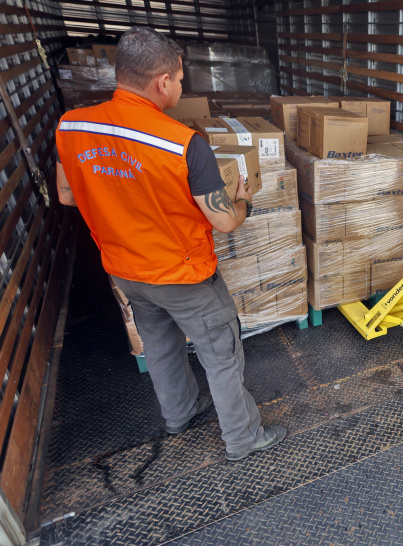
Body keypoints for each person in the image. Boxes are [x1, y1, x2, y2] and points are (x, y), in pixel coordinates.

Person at [55, 27, 286, 461]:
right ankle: (243, 437)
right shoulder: (182, 143)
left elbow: (67, 194)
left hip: (125, 269)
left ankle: (178, 415)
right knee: (221, 354)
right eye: (180, 79)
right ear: (163, 81)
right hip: (183, 274)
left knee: (160, 346)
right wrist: (244, 204)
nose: (181, 87)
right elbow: (223, 222)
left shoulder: (72, 126)